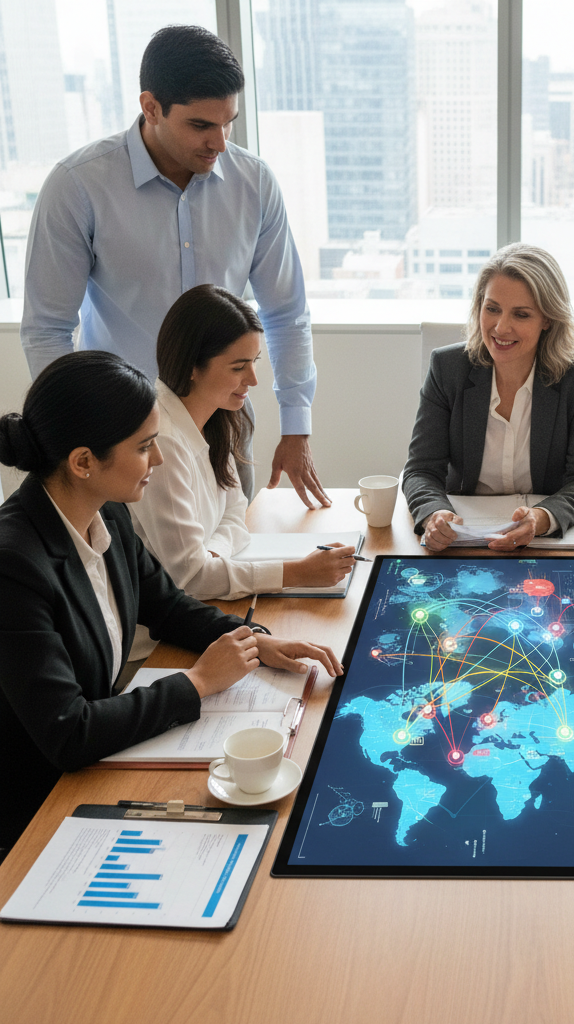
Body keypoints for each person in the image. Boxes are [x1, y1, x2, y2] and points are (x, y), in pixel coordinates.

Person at [0, 351, 342, 854]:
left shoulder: (107, 512)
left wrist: (257, 642)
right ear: (83, 462)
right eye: (144, 447)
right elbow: (68, 733)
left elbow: (168, 606)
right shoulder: (14, 565)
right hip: (39, 807)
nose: (157, 461)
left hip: (95, 767)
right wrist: (199, 682)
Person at [20, 25, 328, 509]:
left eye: (229, 122)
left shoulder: (255, 183)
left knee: (228, 563)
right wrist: (83, 428)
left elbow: (286, 312)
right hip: (121, 433)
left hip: (225, 423)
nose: (220, 142)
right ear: (151, 107)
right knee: (132, 576)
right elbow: (47, 328)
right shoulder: (78, 185)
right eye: (201, 125)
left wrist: (296, 425)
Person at [128, 286, 354, 659]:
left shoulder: (217, 418)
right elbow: (190, 580)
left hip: (205, 612)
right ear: (192, 367)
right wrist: (296, 573)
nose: (253, 380)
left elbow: (236, 513)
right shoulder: (162, 441)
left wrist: (212, 553)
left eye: (255, 362)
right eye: (238, 367)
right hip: (158, 645)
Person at [402, 243, 574, 551]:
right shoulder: (448, 368)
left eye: (521, 314)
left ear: (548, 319)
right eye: (492, 308)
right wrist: (434, 513)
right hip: (464, 536)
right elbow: (421, 469)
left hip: (544, 543)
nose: (500, 327)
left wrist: (541, 518)